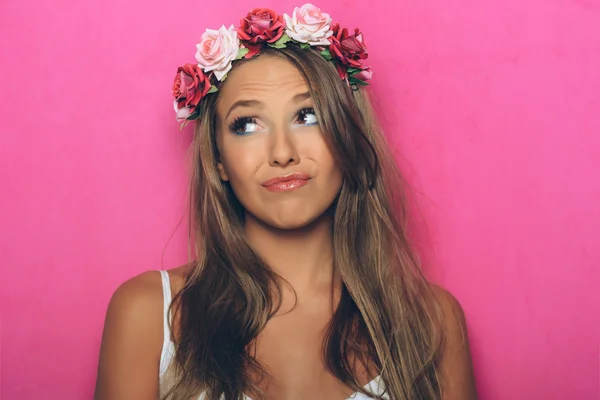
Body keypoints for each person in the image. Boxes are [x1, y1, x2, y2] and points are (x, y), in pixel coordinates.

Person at [95, 4, 478, 399]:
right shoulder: (147, 315)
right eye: (247, 125)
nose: (282, 152)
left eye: (307, 116)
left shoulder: (433, 324)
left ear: (347, 135)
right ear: (219, 159)